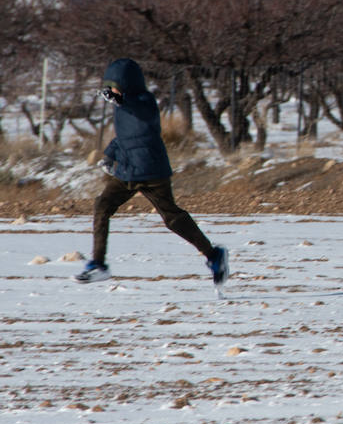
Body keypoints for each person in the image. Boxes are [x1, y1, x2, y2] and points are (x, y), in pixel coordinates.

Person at [74, 57, 229, 284]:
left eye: (115, 86)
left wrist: (120, 99)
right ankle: (98, 264)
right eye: (110, 87)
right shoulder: (120, 108)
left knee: (173, 219)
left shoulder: (145, 101)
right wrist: (109, 155)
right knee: (102, 206)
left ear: (127, 83)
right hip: (127, 172)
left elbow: (139, 112)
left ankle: (214, 255)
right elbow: (123, 137)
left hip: (151, 171)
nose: (112, 90)